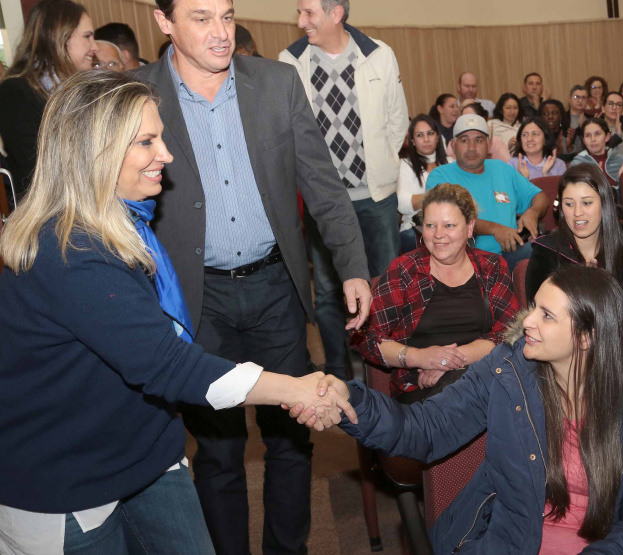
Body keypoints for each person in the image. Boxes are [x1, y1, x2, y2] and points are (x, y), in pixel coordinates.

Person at [0, 70, 355, 555]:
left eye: (160, 137)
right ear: (95, 152)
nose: (165, 155)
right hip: (67, 481)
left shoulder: (127, 226)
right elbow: (169, 365)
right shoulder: (71, 250)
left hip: (146, 456)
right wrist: (295, 387)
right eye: (147, 142)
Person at [139, 0, 373, 553]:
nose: (222, 33)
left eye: (227, 15)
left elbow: (323, 186)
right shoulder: (136, 96)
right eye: (201, 18)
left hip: (276, 290)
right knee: (217, 453)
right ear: (163, 21)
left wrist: (353, 267)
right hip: (196, 299)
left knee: (292, 439)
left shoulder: (277, 83)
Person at [300, 264, 623, 554]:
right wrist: (354, 402)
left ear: (585, 338)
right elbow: (425, 427)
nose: (527, 321)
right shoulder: (508, 370)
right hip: (510, 540)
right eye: (534, 307)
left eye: (546, 315)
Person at [280, 0, 409, 383]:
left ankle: (384, 366)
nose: (300, 21)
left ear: (336, 13)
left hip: (376, 196)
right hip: (324, 203)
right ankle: (338, 369)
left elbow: (396, 121)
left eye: (308, 13)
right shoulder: (290, 62)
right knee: (329, 290)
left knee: (383, 283)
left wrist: (381, 165)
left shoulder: (379, 54)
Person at [354, 184, 519, 403]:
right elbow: (367, 337)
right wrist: (421, 357)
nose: (439, 235)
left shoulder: (492, 267)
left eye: (449, 225)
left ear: (470, 227)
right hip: (422, 389)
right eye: (430, 225)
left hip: (485, 375)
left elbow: (510, 334)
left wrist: (450, 363)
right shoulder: (405, 270)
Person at [526, 165, 623, 366]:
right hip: (567, 355)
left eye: (587, 203)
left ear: (604, 204)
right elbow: (538, 321)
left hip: (616, 348)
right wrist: (583, 292)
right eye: (569, 204)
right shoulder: (547, 251)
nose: (577, 213)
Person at [0, 0, 98, 199]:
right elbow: (37, 170)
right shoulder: (16, 92)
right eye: (87, 36)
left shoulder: (83, 88)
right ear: (58, 37)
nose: (94, 46)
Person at [426, 113, 549, 271]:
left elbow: (540, 197)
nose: (472, 147)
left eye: (479, 140)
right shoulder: (441, 176)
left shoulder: (502, 169)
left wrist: (533, 212)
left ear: (489, 143)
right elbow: (448, 222)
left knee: (548, 249)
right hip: (464, 260)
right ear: (453, 145)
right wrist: (495, 229)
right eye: (464, 140)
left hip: (508, 254)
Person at [396, 114, 451, 253]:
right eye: (420, 135)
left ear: (438, 137)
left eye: (430, 133)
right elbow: (402, 204)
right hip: (415, 227)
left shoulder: (451, 163)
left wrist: (421, 198)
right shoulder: (405, 165)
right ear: (413, 141)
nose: (426, 139)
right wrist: (439, 195)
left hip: (451, 224)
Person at [570, 117, 623, 184]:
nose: (593, 139)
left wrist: (622, 179)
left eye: (597, 134)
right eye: (588, 135)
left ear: (607, 137)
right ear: (584, 141)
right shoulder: (577, 164)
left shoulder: (621, 161)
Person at [600, 90, 623, 157]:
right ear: (603, 108)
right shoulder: (596, 129)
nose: (614, 108)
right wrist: (617, 136)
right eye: (610, 104)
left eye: (618, 105)